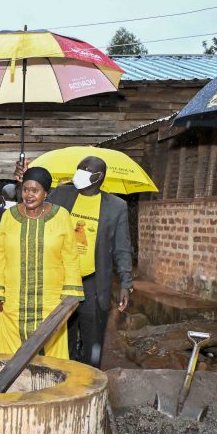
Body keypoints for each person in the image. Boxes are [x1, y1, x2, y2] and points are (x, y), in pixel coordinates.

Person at [45, 156, 133, 367]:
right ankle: (62, 382)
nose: (79, 172)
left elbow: (122, 247)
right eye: (78, 168)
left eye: (84, 169)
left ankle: (89, 382)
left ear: (99, 176)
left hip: (93, 283)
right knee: (60, 337)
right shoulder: (61, 194)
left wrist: (126, 283)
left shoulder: (116, 206)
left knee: (92, 339)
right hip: (61, 281)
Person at [0, 167, 84, 357]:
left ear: (46, 193)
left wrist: (70, 299)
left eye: (35, 190)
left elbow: (71, 258)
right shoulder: (9, 216)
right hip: (13, 304)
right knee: (8, 358)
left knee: (52, 361)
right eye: (25, 189)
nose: (28, 195)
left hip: (51, 303)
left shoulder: (61, 216)